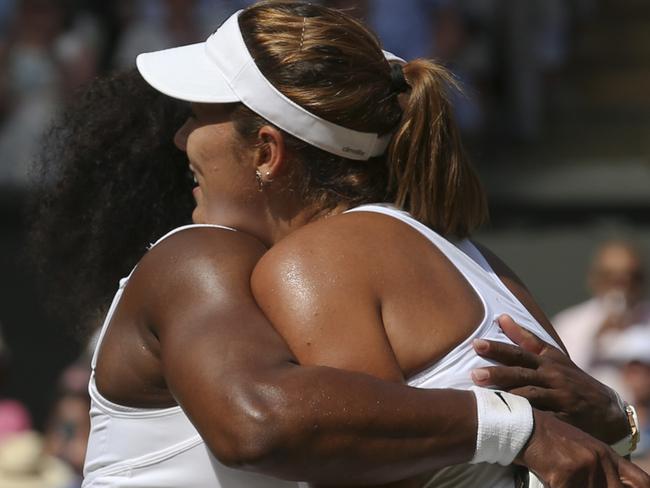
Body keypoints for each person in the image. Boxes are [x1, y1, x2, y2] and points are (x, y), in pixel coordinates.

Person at [29, 5, 645, 487]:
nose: (180, 137)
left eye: (197, 113)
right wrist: (566, 426)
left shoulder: (273, 262)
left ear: (267, 152)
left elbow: (262, 427)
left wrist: (599, 424)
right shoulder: (481, 264)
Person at [554, 240, 650, 393]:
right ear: (594, 279)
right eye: (611, 278)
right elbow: (559, 376)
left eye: (632, 277)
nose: (622, 286)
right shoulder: (570, 323)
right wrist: (596, 336)